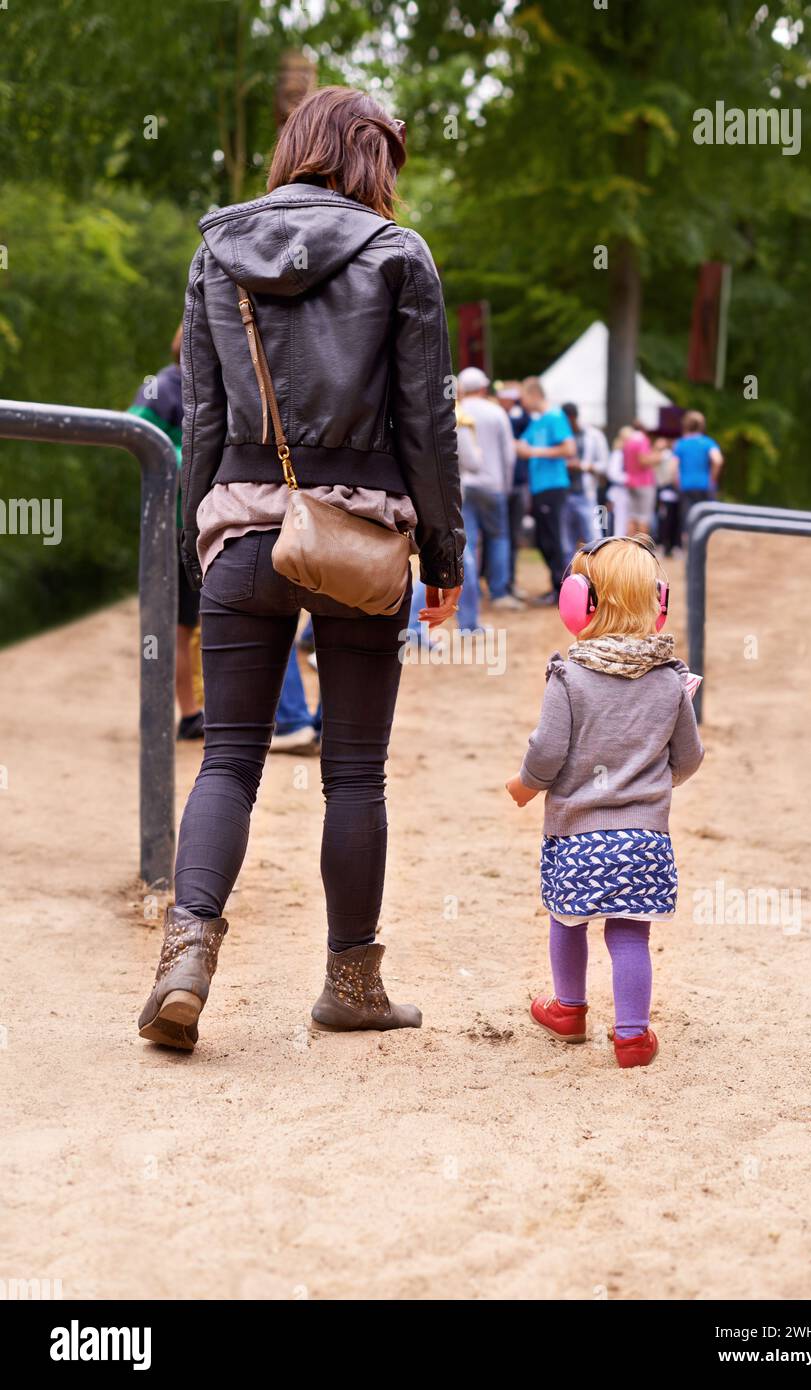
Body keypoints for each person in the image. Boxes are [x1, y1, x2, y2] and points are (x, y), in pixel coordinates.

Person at [138, 85, 463, 1051]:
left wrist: (196, 551)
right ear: (369, 158)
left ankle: (186, 958)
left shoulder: (215, 252)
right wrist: (443, 553)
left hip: (240, 523)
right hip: (359, 537)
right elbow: (426, 422)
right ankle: (351, 985)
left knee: (229, 757)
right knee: (355, 771)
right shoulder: (400, 256)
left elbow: (201, 418)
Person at [505, 536, 704, 1067]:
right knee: (630, 934)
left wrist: (524, 786)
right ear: (656, 603)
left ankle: (568, 1010)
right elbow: (688, 757)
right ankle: (634, 1037)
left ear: (581, 602)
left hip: (575, 837)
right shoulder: (669, 681)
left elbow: (546, 753)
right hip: (645, 839)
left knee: (567, 918)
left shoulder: (568, 678)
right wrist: (651, 785)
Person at [129, 327, 204, 740]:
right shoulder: (162, 388)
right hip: (166, 526)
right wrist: (184, 454)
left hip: (198, 528)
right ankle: (169, 712)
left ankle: (193, 710)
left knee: (189, 625)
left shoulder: (209, 389)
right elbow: (132, 437)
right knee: (167, 627)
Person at [456, 366, 520, 628]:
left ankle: (469, 596)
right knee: (498, 537)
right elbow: (509, 454)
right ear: (483, 388)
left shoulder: (458, 411)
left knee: (467, 544)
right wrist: (505, 484)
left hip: (464, 485)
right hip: (492, 483)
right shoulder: (496, 412)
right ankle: (499, 591)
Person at [516, 377, 576, 599]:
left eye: (523, 397)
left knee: (554, 538)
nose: (522, 403)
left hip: (553, 486)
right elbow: (521, 445)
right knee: (543, 539)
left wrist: (535, 452)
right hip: (540, 488)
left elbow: (569, 449)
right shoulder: (538, 421)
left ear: (533, 394)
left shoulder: (555, 417)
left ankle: (565, 591)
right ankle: (556, 585)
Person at [497, 382, 531, 598]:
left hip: (517, 485)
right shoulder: (500, 417)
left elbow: (526, 418)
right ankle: (499, 583)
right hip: (501, 487)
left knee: (510, 536)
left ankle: (508, 582)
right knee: (499, 537)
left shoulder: (520, 419)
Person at [561, 402, 608, 553]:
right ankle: (569, 575)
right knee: (566, 542)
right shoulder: (561, 435)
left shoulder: (594, 435)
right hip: (564, 494)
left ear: (573, 418)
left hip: (589, 495)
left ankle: (597, 574)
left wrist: (582, 466)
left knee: (595, 539)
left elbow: (604, 465)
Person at [672, 409, 724, 536]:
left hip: (686, 486)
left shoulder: (680, 444)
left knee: (687, 520)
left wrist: (677, 481)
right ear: (701, 425)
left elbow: (673, 467)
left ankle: (688, 552)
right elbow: (718, 460)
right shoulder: (708, 442)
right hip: (705, 485)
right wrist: (712, 479)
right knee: (705, 520)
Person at [622, 420, 661, 537]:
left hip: (630, 482)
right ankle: (642, 550)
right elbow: (643, 460)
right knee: (644, 517)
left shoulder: (628, 441)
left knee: (632, 516)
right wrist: (658, 455)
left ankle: (630, 549)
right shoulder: (642, 440)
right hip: (645, 483)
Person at [654, 438, 681, 557]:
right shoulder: (666, 455)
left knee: (669, 519)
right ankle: (666, 545)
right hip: (666, 491)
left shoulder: (669, 455)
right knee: (666, 519)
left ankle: (668, 545)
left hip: (669, 490)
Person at [603, 426, 631, 539]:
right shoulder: (618, 454)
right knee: (619, 522)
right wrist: (629, 479)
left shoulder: (627, 454)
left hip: (628, 492)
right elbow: (612, 474)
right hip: (618, 492)